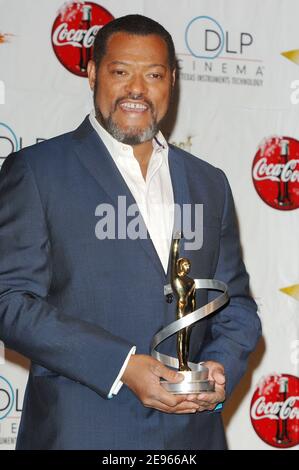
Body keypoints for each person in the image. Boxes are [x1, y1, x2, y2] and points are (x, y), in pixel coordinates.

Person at [0, 14, 261, 450]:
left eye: (153, 74)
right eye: (121, 72)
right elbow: (9, 301)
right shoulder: (37, 171)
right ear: (91, 73)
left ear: (172, 81)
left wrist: (219, 368)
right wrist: (122, 366)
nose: (136, 89)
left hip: (191, 437)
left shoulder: (208, 182)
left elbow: (235, 307)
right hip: (81, 433)